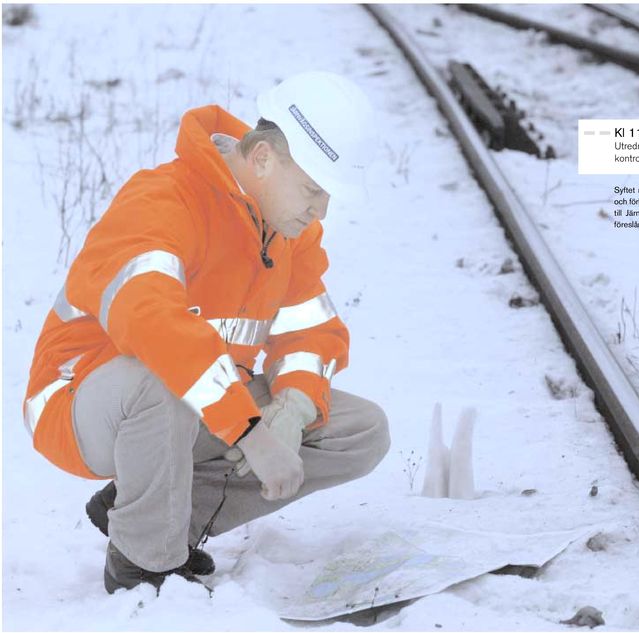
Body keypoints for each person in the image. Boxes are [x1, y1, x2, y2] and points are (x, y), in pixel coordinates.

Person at [22, 71, 391, 594]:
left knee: (360, 428)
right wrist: (250, 433)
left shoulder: (290, 235)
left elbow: (312, 332)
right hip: (83, 403)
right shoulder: (165, 200)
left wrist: (291, 410)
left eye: (327, 196)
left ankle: (154, 513)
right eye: (312, 188)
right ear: (262, 157)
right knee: (161, 375)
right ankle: (142, 562)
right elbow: (154, 326)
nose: (320, 210)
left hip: (197, 405)